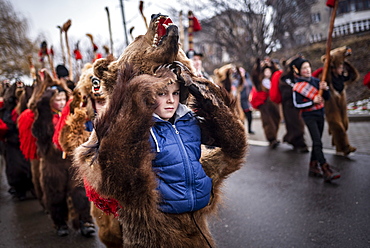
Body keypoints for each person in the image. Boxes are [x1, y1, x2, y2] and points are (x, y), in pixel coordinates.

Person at [74, 63, 247, 247]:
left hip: (196, 218)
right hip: (158, 226)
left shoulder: (188, 121)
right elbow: (114, 172)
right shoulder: (139, 129)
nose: (171, 100)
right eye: (162, 93)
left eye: (175, 93)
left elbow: (234, 145)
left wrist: (210, 100)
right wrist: (131, 97)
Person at [291, 57, 340, 182]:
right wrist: (312, 102)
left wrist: (326, 88)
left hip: (320, 114)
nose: (307, 70)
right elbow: (297, 104)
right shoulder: (297, 86)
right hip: (309, 116)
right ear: (298, 71)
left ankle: (313, 166)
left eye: (308, 67)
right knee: (318, 141)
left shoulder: (317, 81)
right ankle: (325, 168)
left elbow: (327, 98)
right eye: (303, 68)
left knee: (316, 142)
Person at [237, 67, 255, 134]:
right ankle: (242, 130)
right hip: (241, 101)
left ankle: (250, 129)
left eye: (243, 72)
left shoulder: (248, 79)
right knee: (241, 117)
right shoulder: (238, 81)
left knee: (250, 116)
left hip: (249, 101)